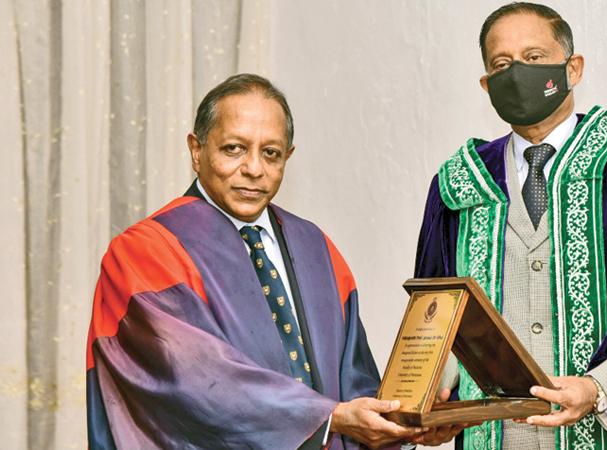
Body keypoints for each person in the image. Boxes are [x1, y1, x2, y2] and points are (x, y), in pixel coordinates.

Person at [86, 73, 462, 449]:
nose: (254, 169)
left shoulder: (316, 248)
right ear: (196, 150)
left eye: (271, 153)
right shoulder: (143, 252)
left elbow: (354, 382)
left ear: (288, 156)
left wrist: (402, 424)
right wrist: (328, 418)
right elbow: (193, 381)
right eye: (233, 149)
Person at [415, 3, 607, 449]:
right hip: (493, 437)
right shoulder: (458, 185)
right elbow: (435, 318)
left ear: (572, 68)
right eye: (502, 64)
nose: (517, 72)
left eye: (535, 58)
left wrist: (598, 389)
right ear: (486, 84)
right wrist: (432, 397)